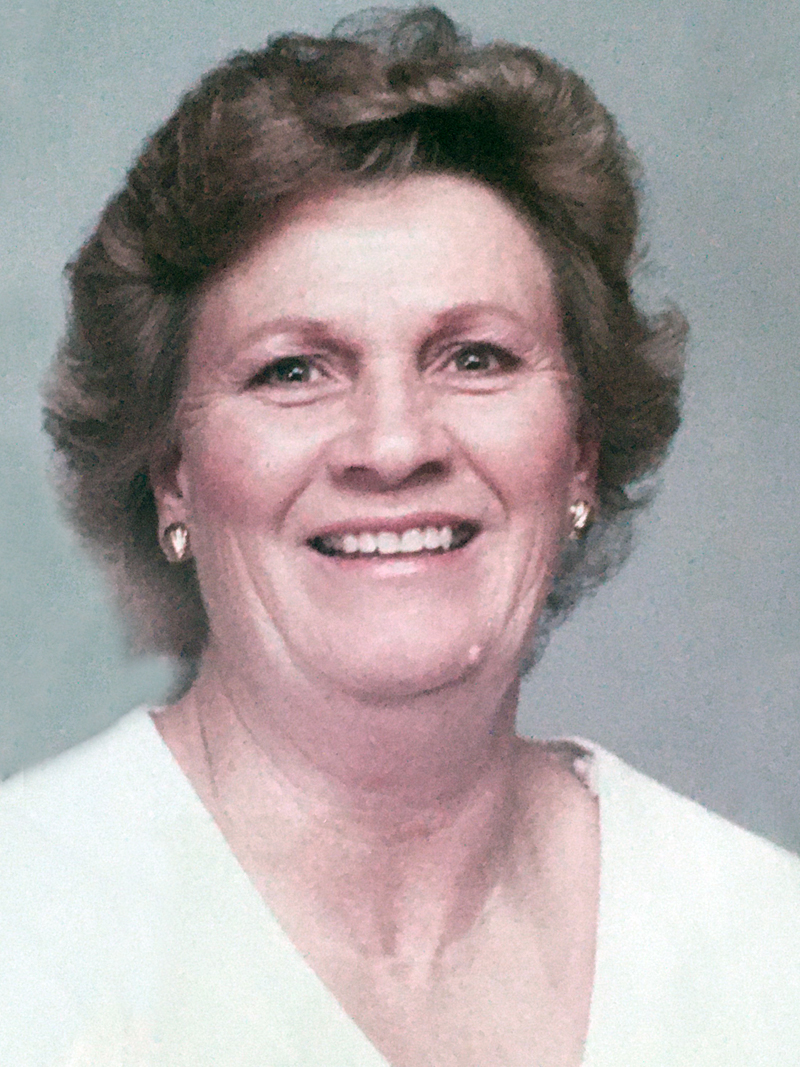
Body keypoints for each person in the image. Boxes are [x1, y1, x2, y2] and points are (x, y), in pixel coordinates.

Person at [3, 7, 799, 1065]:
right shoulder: (28, 926)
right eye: (292, 369)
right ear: (171, 474)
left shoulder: (761, 945)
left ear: (580, 453)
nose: (392, 445)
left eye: (475, 358)